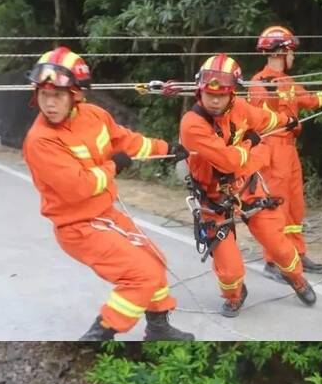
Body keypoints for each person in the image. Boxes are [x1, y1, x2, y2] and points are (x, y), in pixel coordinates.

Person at [22, 47, 193, 343]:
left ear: (76, 95)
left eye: (58, 96)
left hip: (105, 215)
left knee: (154, 259)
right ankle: (98, 337)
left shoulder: (95, 116)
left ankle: (158, 329)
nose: (49, 104)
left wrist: (166, 148)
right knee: (141, 275)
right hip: (78, 226)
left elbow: (127, 141)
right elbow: (79, 188)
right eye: (44, 95)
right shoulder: (40, 141)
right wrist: (114, 166)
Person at [179, 54, 317, 313]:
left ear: (232, 93)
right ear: (200, 91)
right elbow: (228, 162)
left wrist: (287, 121)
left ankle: (296, 278)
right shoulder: (192, 125)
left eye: (222, 94)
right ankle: (234, 294)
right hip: (214, 200)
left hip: (247, 188)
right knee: (230, 272)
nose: (215, 100)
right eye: (209, 94)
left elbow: (265, 120)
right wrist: (251, 144)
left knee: (281, 247)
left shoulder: (240, 109)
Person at [249, 26, 322, 278]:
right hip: (271, 149)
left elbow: (310, 100)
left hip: (289, 150)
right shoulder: (257, 83)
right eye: (291, 52)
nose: (293, 57)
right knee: (275, 205)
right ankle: (272, 260)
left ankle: (296, 253)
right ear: (280, 52)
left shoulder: (288, 82)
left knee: (295, 205)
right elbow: (255, 117)